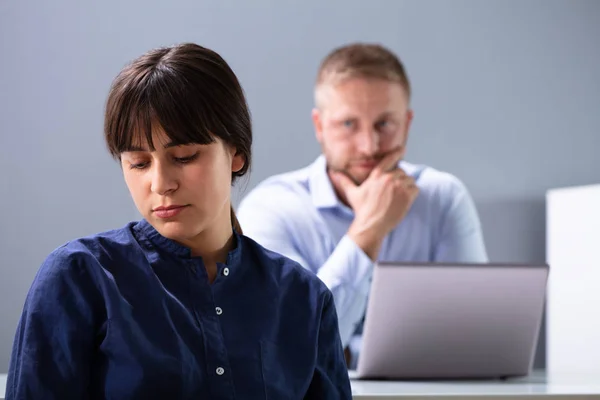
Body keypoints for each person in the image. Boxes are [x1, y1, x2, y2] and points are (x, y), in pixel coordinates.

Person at [6, 43, 352, 399]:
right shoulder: (80, 278)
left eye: (184, 156)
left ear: (236, 152)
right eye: (139, 163)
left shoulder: (303, 298)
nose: (160, 184)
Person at [236, 42, 488, 368]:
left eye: (384, 124)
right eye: (348, 124)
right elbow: (291, 345)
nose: (369, 146)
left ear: (407, 123)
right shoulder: (270, 208)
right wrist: (370, 227)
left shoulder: (443, 198)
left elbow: (475, 337)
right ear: (319, 126)